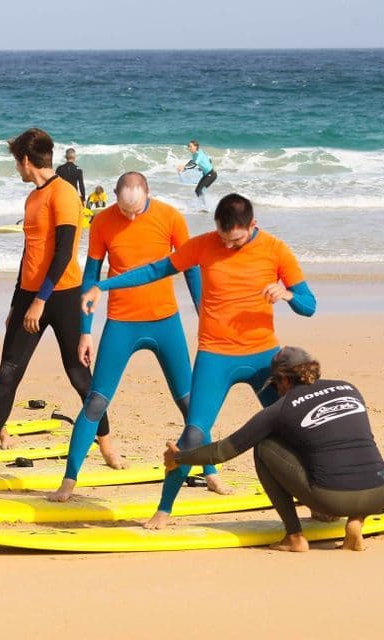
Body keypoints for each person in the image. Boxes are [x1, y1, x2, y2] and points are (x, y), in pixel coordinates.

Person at [82, 193, 317, 528]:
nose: (229, 245)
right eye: (223, 238)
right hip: (215, 356)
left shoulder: (276, 250)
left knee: (292, 429)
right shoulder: (204, 245)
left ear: (252, 226)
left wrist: (288, 294)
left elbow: (310, 305)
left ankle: (319, 498)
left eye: (235, 239)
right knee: (193, 433)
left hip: (264, 357)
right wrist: (101, 286)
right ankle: (164, 509)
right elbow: (155, 270)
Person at [0, 128, 110, 473]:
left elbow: (63, 253)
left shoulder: (64, 194)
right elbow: (30, 254)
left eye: (16, 163)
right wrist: (16, 303)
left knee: (78, 375)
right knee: (8, 374)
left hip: (63, 294)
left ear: (26, 160)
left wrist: (40, 301)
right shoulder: (32, 198)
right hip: (30, 296)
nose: (16, 169)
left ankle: (107, 443)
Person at [48, 172, 206, 502]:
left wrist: (205, 314)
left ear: (148, 193)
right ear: (115, 197)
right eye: (124, 210)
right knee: (95, 401)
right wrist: (85, 331)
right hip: (121, 323)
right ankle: (69, 480)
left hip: (166, 321)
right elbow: (91, 277)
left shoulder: (170, 217)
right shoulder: (103, 222)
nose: (131, 217)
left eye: (137, 210)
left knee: (189, 402)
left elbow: (191, 268)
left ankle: (211, 471)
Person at [164, 346, 384, 552]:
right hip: (381, 492)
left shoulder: (280, 409)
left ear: (283, 379)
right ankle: (356, 520)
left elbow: (222, 451)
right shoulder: (348, 388)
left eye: (275, 385)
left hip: (332, 499)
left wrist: (180, 457)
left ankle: (294, 536)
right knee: (346, 447)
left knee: (263, 447)